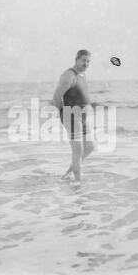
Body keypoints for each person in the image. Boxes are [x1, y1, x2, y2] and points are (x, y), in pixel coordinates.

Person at [53, 50, 96, 182]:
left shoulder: (82, 75)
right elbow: (56, 97)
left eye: (88, 61)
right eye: (83, 60)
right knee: (78, 149)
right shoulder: (69, 75)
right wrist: (64, 112)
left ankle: (68, 174)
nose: (86, 63)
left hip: (82, 116)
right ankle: (78, 183)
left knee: (89, 147)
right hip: (71, 114)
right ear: (76, 59)